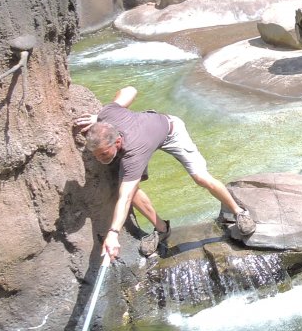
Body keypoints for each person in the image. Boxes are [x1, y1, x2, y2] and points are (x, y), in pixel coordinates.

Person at [74, 86, 255, 260]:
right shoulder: (107, 115)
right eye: (96, 155)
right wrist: (99, 116)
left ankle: (239, 213)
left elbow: (125, 198)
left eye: (104, 153)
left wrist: (113, 234)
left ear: (118, 141)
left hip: (171, 131)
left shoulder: (133, 154)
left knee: (200, 177)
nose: (100, 159)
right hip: (145, 133)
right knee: (132, 189)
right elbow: (130, 90)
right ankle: (162, 229)